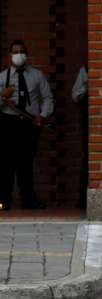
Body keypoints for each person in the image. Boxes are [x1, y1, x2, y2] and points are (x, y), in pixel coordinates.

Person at [0, 40, 54, 210]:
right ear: (9, 55)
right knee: (5, 163)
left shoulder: (37, 76)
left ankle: (28, 199)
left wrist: (43, 115)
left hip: (29, 123)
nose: (18, 55)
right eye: (15, 52)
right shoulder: (1, 78)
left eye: (21, 52)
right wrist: (3, 96)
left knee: (26, 163)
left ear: (26, 54)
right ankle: (4, 200)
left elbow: (47, 97)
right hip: (7, 123)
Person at [73, 65, 88, 208]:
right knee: (87, 160)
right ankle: (84, 201)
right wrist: (86, 87)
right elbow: (75, 95)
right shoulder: (86, 70)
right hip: (89, 123)